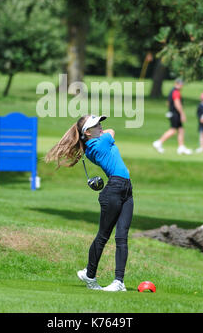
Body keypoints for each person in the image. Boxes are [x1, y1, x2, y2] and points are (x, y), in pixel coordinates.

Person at [45, 114, 134, 292]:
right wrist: (100, 134)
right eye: (96, 125)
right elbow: (112, 131)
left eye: (100, 123)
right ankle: (90, 273)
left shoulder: (93, 143)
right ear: (87, 132)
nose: (101, 126)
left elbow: (107, 131)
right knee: (103, 235)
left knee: (122, 237)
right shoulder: (99, 143)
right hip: (114, 190)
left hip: (126, 189)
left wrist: (95, 132)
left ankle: (119, 282)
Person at [153, 78, 193, 155]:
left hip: (173, 112)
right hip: (175, 113)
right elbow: (177, 103)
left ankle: (181, 147)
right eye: (179, 84)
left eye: (181, 84)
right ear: (176, 84)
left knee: (181, 130)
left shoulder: (172, 91)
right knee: (173, 130)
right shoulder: (176, 92)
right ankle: (158, 142)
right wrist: (182, 113)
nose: (181, 85)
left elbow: (168, 103)